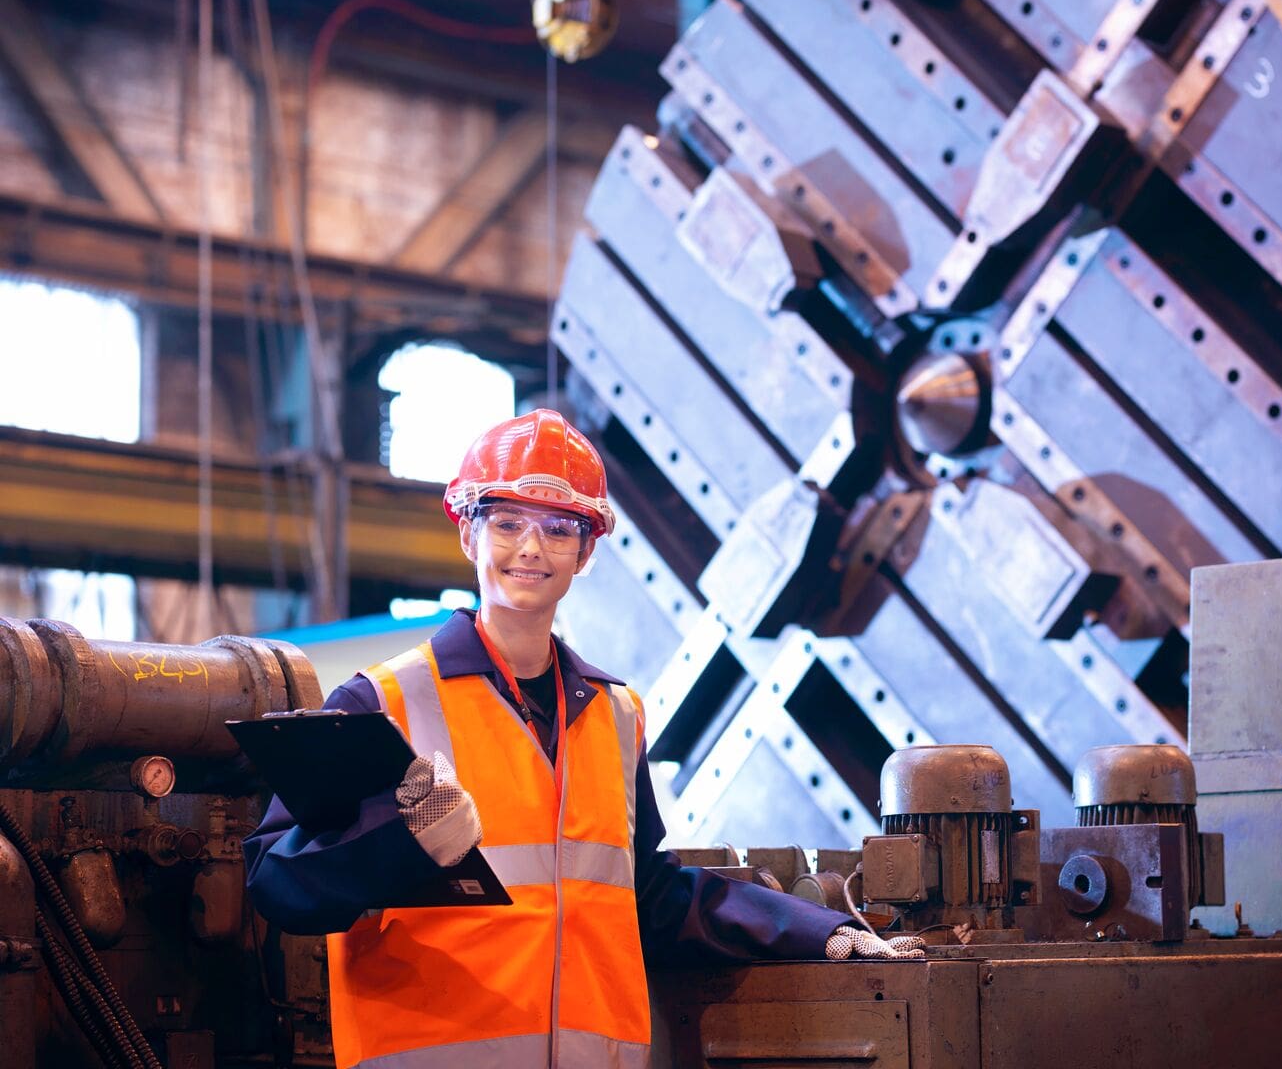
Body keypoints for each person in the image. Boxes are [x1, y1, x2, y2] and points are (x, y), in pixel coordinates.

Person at [243, 409, 922, 1069]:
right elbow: (276, 884)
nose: (530, 548)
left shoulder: (617, 715)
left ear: (587, 550)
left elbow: (647, 895)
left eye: (558, 529)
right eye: (507, 523)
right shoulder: (381, 702)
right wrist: (402, 840)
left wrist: (818, 930)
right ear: (468, 536)